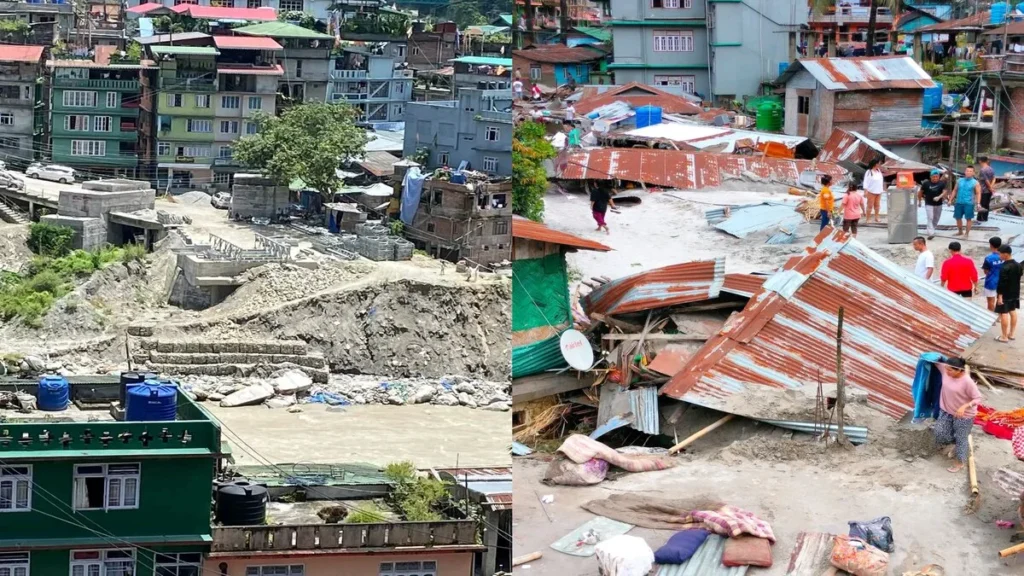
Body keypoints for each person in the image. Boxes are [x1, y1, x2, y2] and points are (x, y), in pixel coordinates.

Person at [933, 357, 982, 473]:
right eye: (946, 369)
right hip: (946, 410)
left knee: (961, 438)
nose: (947, 372)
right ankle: (958, 444)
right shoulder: (945, 371)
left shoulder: (967, 382)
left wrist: (965, 406)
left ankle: (959, 462)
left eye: (950, 370)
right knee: (940, 433)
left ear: (959, 370)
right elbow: (932, 359)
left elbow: (978, 398)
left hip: (964, 415)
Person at [996, 244, 1022, 342]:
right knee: (1013, 311)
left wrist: (1000, 296)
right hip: (1015, 292)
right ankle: (1011, 334)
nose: (999, 256)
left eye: (1000, 254)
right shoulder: (1018, 265)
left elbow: (1001, 283)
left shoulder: (1004, 267)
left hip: (1005, 294)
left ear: (1006, 254)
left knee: (1004, 313)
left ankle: (1004, 336)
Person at [951, 165, 982, 237]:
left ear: (973, 173)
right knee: (957, 218)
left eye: (970, 171)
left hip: (969, 203)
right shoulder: (959, 181)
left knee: (968, 219)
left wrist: (978, 203)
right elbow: (955, 190)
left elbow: (978, 193)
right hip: (958, 202)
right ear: (965, 172)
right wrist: (950, 200)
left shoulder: (975, 183)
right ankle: (960, 231)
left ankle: (967, 233)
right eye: (967, 171)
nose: (968, 172)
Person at [918, 169, 948, 239]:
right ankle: (930, 233)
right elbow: (920, 193)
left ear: (938, 177)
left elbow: (945, 192)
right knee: (930, 217)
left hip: (939, 204)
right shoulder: (926, 184)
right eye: (933, 177)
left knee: (936, 218)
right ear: (930, 177)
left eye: (936, 177)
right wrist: (919, 201)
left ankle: (932, 229)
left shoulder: (941, 183)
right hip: (929, 203)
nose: (935, 178)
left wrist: (939, 197)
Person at [982, 236, 1004, 311]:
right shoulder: (1005, 256)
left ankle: (992, 317)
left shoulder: (989, 258)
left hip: (991, 282)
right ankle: (999, 317)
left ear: (991, 245)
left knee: (991, 301)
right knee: (1000, 299)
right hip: (1003, 281)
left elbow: (986, 271)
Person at [862, 159, 885, 223]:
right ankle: (868, 218)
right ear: (875, 164)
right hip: (871, 191)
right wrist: (865, 191)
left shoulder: (879, 171)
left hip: (879, 191)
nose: (879, 165)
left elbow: (881, 181)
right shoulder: (869, 172)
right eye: (878, 163)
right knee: (870, 205)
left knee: (877, 205)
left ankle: (876, 217)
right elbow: (865, 182)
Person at [977, 156, 996, 223]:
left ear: (980, 161)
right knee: (987, 204)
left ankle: (980, 219)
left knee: (982, 205)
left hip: (983, 190)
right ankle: (985, 218)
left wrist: (990, 188)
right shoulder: (991, 169)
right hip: (988, 191)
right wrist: (991, 187)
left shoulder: (983, 170)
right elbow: (994, 178)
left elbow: (986, 181)